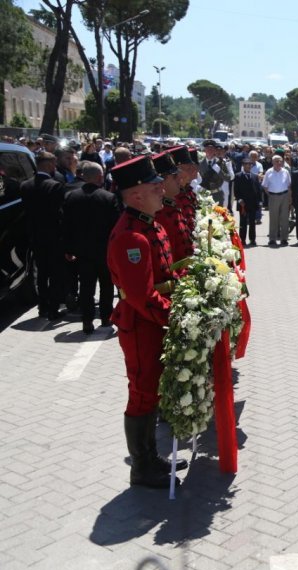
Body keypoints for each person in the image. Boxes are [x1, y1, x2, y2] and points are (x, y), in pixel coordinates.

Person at [107, 155, 182, 489]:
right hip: (141, 326)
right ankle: (141, 468)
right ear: (135, 195)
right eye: (154, 186)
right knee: (142, 393)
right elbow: (142, 297)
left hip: (152, 322)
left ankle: (151, 457)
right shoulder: (131, 237)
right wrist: (175, 317)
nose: (161, 188)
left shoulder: (149, 222)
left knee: (152, 392)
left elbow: (165, 273)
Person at [62, 161, 119, 334]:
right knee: (106, 285)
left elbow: (66, 225)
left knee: (86, 287)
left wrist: (68, 249)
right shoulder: (108, 198)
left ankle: (87, 320)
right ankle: (106, 316)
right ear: (99, 177)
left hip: (82, 252)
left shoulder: (71, 197)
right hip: (104, 251)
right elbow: (115, 227)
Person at [19, 151, 68, 320]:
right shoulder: (54, 186)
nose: (55, 167)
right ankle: (53, 309)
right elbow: (60, 215)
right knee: (55, 273)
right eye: (53, 164)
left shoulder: (25, 186)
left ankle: (42, 306)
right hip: (54, 236)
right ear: (47, 165)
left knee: (41, 272)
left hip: (35, 236)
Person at [151, 152, 193, 263]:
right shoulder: (159, 213)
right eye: (174, 176)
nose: (180, 178)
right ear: (161, 182)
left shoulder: (171, 205)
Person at [262, 154, 292, 246]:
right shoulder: (269, 172)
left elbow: (289, 185)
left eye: (280, 161)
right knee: (273, 218)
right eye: (276, 161)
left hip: (284, 195)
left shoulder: (285, 172)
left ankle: (284, 239)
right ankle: (272, 239)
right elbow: (265, 186)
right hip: (273, 196)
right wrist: (271, 195)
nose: (279, 163)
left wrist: (290, 198)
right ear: (273, 162)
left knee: (284, 218)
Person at [234, 158, 263, 246]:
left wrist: (260, 201)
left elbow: (258, 190)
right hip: (243, 203)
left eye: (250, 164)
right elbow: (236, 190)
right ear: (243, 165)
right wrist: (239, 200)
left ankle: (252, 239)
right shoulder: (238, 176)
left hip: (253, 203)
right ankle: (242, 240)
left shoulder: (254, 176)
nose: (248, 166)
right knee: (243, 222)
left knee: (252, 222)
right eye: (246, 164)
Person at [199, 140, 227, 205]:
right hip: (203, 195)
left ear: (215, 150)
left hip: (217, 194)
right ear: (204, 150)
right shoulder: (200, 164)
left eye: (212, 149)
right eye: (208, 149)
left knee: (218, 214)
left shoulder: (221, 163)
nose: (210, 150)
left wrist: (219, 171)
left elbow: (227, 178)